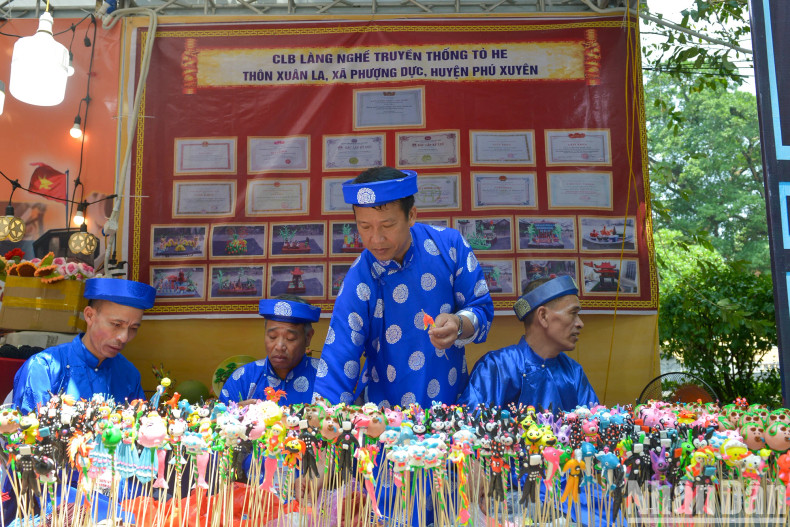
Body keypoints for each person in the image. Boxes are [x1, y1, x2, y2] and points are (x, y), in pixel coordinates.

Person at [313, 166, 494, 408]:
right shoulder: (359, 278)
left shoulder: (450, 246)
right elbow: (339, 358)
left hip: (449, 406)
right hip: (384, 416)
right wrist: (322, 416)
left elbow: (481, 308)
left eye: (387, 225)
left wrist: (459, 324)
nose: (376, 239)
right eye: (364, 227)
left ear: (411, 216)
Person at [12, 277, 156, 415]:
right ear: (89, 316)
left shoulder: (128, 374)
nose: (124, 337)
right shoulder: (44, 367)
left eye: (133, 328)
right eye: (116, 325)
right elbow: (27, 427)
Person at [458, 275, 598, 411]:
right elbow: (471, 422)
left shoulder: (573, 372)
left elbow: (594, 421)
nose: (580, 323)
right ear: (543, 316)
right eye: (573, 313)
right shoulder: (497, 367)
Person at [220, 295, 321, 406]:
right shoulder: (242, 378)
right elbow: (218, 415)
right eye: (272, 336)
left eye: (290, 338)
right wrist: (236, 412)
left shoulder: (325, 377)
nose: (279, 346)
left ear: (308, 337)